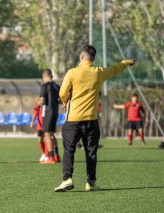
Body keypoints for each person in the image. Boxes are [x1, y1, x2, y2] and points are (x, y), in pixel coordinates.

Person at [54, 44, 135, 192]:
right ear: (93, 58)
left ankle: (67, 179)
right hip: (91, 119)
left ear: (81, 56)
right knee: (91, 151)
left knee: (69, 149)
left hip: (73, 119)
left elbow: (62, 92)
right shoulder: (98, 72)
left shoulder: (72, 72)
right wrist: (126, 62)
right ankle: (90, 183)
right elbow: (115, 69)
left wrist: (65, 102)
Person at [39, 69, 61, 164]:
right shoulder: (57, 86)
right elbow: (61, 100)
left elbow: (42, 101)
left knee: (47, 134)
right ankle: (57, 156)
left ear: (44, 77)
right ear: (51, 75)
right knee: (52, 134)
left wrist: (39, 103)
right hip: (55, 112)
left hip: (47, 112)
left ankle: (50, 157)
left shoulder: (44, 86)